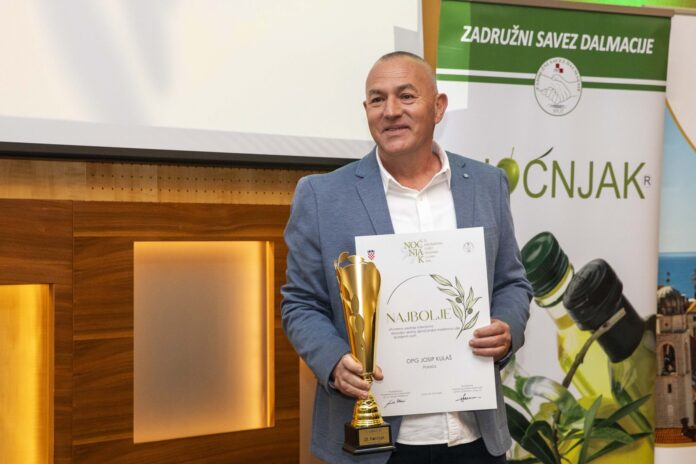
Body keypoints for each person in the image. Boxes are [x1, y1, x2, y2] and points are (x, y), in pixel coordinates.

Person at [281, 51, 532, 464]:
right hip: (374, 445)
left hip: (474, 437)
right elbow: (300, 303)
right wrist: (333, 362)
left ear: (438, 107)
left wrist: (507, 328)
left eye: (407, 96)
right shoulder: (323, 196)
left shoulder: (486, 184)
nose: (391, 111)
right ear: (366, 110)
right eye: (377, 99)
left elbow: (512, 282)